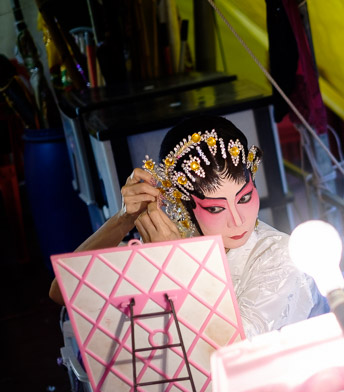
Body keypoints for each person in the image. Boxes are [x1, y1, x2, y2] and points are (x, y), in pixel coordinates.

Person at [49, 115, 328, 337]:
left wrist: (173, 265)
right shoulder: (180, 236)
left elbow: (231, 350)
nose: (238, 219)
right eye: (216, 208)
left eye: (244, 197)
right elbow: (63, 291)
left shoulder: (281, 256)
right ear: (184, 205)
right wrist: (123, 220)